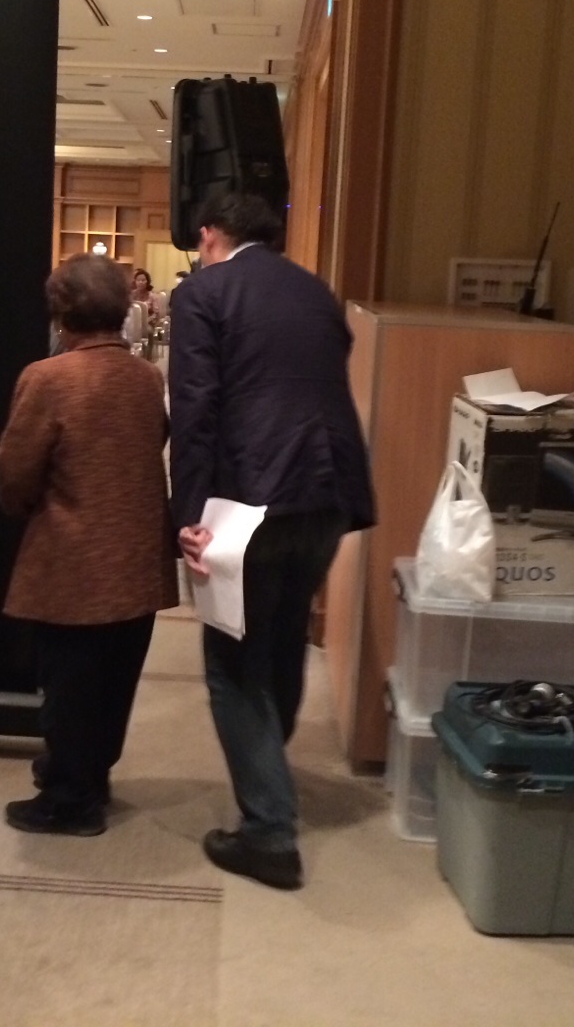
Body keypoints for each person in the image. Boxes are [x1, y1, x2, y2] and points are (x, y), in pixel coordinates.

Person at [167, 191, 375, 891]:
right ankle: (269, 777)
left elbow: (195, 408)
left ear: (208, 235)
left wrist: (188, 513)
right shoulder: (316, 292)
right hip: (330, 492)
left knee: (232, 663)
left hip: (248, 500)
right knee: (284, 639)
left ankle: (268, 833)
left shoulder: (204, 292)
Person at [0, 255, 178, 835]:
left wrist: (23, 508)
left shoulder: (47, 378)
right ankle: (90, 777)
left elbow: (15, 469)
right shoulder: (147, 379)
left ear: (61, 312)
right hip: (137, 558)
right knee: (115, 681)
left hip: (72, 559)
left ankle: (70, 801)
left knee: (68, 684)